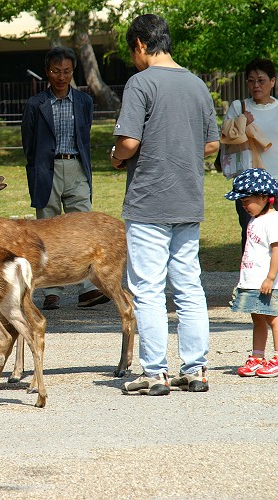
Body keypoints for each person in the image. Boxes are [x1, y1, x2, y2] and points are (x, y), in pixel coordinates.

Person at [111, 14, 220, 396]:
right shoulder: (196, 84)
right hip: (188, 199)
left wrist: (115, 156)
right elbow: (211, 145)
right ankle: (196, 369)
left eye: (132, 51)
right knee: (190, 285)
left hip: (149, 201)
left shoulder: (140, 83)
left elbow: (128, 143)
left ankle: (155, 372)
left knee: (148, 288)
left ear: (140, 44)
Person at [20, 46, 108, 311]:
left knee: (83, 229)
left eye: (66, 71)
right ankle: (51, 291)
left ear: (73, 72)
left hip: (77, 168)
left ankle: (88, 288)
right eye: (56, 71)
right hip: (47, 171)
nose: (61, 76)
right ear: (47, 72)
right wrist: (38, 169)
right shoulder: (36, 104)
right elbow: (28, 143)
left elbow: (85, 135)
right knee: (46, 232)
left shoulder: (84, 102)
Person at [226, 169, 278, 377]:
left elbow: (276, 250)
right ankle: (258, 357)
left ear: (264, 197)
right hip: (252, 281)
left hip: (269, 283)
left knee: (273, 319)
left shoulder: (273, 220)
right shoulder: (254, 220)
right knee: (257, 319)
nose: (243, 205)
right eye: (241, 201)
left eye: (247, 200)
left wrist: (270, 277)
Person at [224, 58, 278, 253]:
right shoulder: (238, 108)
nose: (256, 85)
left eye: (261, 80)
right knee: (252, 233)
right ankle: (252, 279)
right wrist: (241, 122)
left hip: (276, 180)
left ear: (273, 81)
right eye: (251, 80)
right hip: (249, 184)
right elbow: (226, 138)